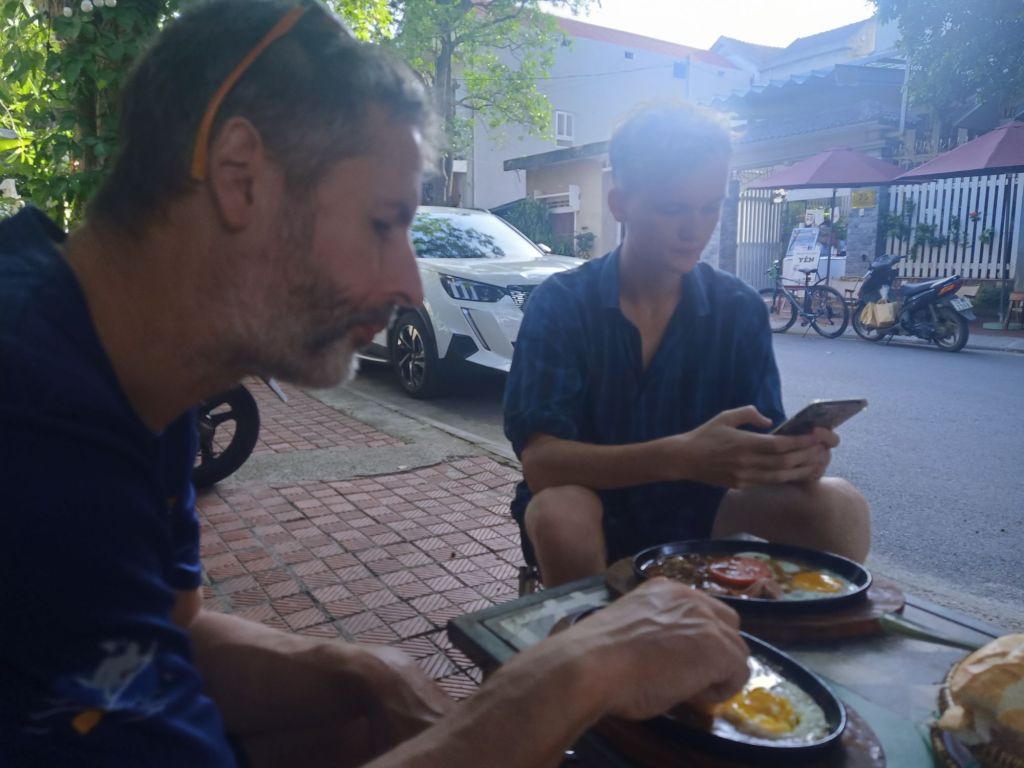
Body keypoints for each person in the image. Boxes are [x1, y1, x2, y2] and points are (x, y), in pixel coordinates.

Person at [0, 3, 750, 766]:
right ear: (239, 177)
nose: (408, 288)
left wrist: (361, 671)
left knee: (359, 718)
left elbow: (169, 630)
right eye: (384, 223)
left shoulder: (130, 377)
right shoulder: (26, 407)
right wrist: (574, 675)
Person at [504, 103, 871, 588]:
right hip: (588, 503)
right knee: (560, 513)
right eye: (672, 209)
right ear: (620, 204)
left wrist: (793, 460)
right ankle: (591, 630)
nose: (694, 230)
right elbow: (541, 463)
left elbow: (760, 439)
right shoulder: (562, 303)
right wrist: (681, 456)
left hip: (700, 506)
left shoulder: (737, 308)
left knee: (841, 506)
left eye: (709, 207)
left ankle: (800, 628)